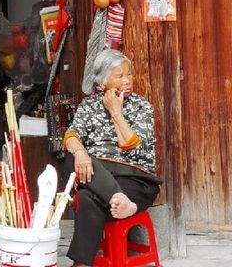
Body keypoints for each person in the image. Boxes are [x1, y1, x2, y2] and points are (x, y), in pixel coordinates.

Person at [62, 49, 162, 267]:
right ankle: (120, 200)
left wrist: (116, 111)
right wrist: (80, 152)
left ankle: (80, 264)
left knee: (89, 196)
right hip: (101, 177)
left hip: (136, 180)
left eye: (129, 74)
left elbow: (131, 146)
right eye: (119, 76)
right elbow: (71, 136)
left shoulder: (141, 107)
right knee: (71, 158)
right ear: (101, 82)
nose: (127, 80)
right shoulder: (89, 107)